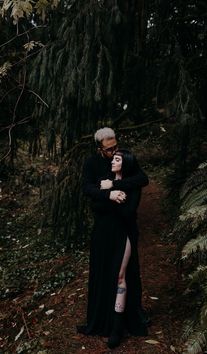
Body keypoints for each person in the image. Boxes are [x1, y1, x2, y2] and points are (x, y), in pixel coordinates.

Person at [77, 128, 149, 348]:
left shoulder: (123, 161)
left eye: (116, 147)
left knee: (122, 274)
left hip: (123, 228)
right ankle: (101, 320)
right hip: (103, 229)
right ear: (100, 148)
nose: (114, 152)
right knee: (102, 270)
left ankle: (120, 324)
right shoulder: (92, 163)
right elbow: (88, 190)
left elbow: (142, 179)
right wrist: (108, 195)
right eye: (110, 150)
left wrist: (115, 186)